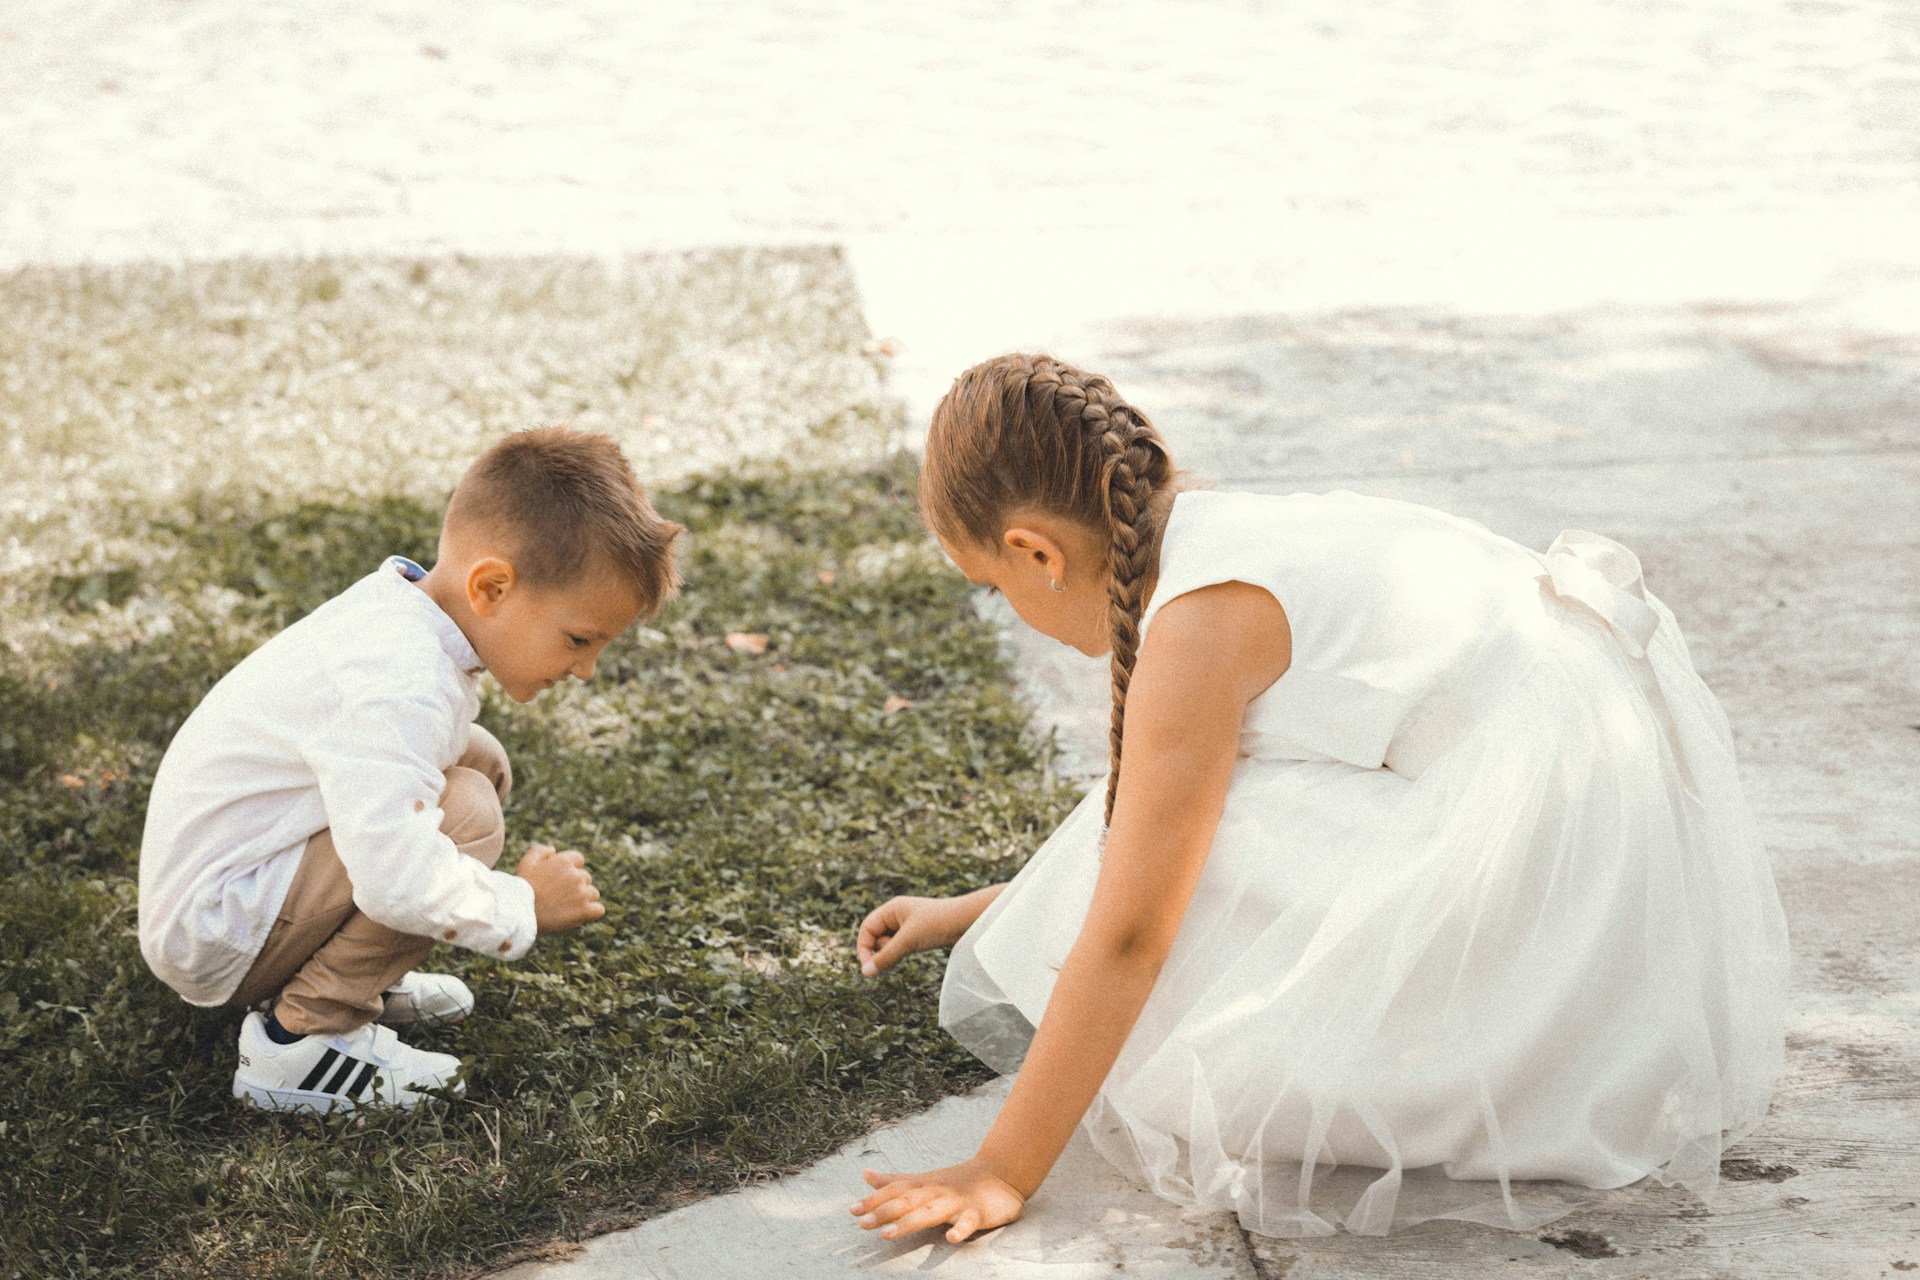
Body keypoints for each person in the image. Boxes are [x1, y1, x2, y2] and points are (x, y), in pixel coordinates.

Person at [850, 354, 1788, 1242]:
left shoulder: (1201, 623)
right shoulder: (1206, 536)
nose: (1002, 598)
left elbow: (1136, 926)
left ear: (1036, 553)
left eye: (990, 585)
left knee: (1212, 825)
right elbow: (1141, 826)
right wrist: (976, 911)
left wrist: (1000, 1169)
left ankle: (1474, 1056)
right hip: (1600, 805)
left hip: (1556, 876)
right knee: (1182, 799)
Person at [138, 426, 681, 1113]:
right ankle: (304, 1038)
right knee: (466, 816)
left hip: (245, 885)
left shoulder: (404, 619)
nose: (585, 669)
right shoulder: (396, 680)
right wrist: (522, 906)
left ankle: (356, 980)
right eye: (579, 639)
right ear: (491, 587)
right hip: (217, 926)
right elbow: (395, 878)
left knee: (478, 762)